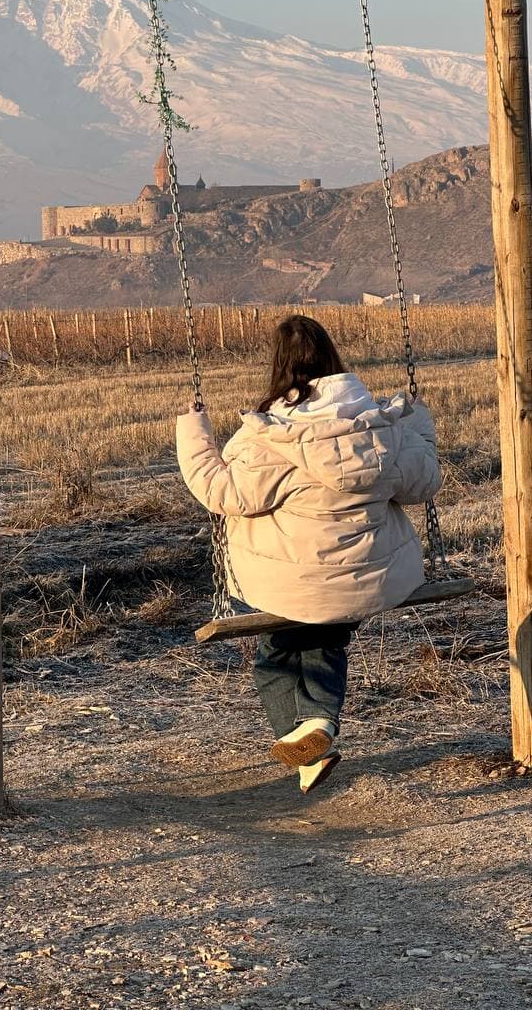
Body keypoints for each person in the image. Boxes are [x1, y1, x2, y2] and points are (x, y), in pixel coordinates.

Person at [176, 314, 442, 794]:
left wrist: (194, 429)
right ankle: (314, 739)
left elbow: (222, 492)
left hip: (288, 585)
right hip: (370, 578)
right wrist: (417, 418)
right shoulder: (380, 428)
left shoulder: (270, 438)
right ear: (335, 363)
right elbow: (425, 480)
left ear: (278, 367)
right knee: (327, 641)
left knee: (275, 655)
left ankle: (307, 731)